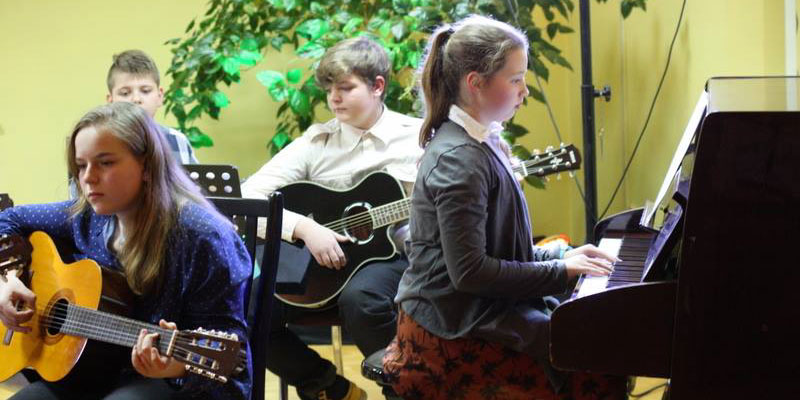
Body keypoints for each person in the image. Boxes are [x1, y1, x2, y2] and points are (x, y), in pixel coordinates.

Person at [383, 15, 627, 399]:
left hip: (473, 310)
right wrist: (560, 271)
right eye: (515, 80)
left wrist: (562, 256)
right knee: (595, 367)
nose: (524, 91)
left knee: (597, 343)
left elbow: (496, 251)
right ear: (475, 83)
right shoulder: (459, 159)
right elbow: (471, 273)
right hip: (449, 331)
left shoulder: (482, 140)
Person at [0, 102, 251, 399]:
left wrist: (176, 368)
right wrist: (7, 279)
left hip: (172, 383)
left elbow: (232, 360)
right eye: (81, 165)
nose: (88, 178)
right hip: (88, 368)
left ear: (147, 166)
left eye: (105, 163)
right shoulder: (86, 217)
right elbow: (7, 219)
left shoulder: (203, 238)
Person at [241, 36, 422, 400]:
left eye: (345, 88)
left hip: (393, 258)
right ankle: (327, 386)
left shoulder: (417, 136)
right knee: (245, 306)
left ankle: (406, 392)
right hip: (317, 267)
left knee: (363, 300)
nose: (334, 99)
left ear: (378, 86)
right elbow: (248, 195)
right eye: (328, 90)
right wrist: (305, 228)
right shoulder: (316, 141)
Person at [106, 49, 198, 165]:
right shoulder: (96, 143)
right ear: (111, 101)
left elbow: (193, 177)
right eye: (125, 93)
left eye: (145, 91)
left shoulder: (178, 141)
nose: (136, 99)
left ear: (160, 96)